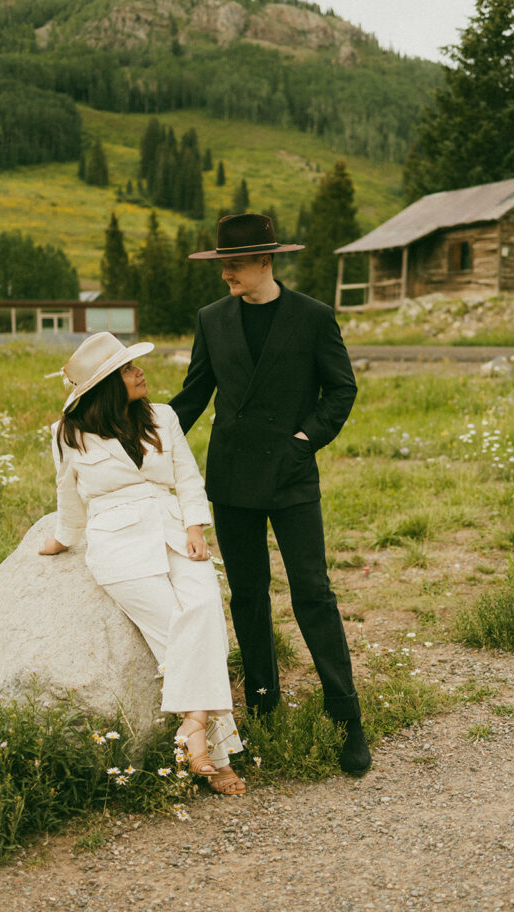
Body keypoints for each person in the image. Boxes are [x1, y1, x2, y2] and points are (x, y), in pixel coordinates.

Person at [170, 212, 371, 776]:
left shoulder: (312, 316)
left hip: (291, 474)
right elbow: (193, 396)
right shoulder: (212, 319)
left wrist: (304, 442)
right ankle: (263, 710)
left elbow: (341, 389)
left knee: (313, 592)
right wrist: (138, 435)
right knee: (249, 597)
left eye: (233, 263)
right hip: (232, 479)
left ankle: (346, 718)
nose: (225, 273)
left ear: (266, 261)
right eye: (221, 263)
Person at [39, 331, 245, 795]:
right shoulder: (67, 433)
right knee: (177, 630)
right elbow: (68, 496)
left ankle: (193, 726)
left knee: (206, 611)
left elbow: (187, 475)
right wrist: (62, 539)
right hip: (119, 545)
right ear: (108, 384)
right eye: (129, 369)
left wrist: (196, 527)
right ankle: (219, 752)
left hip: (174, 530)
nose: (140, 372)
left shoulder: (163, 416)